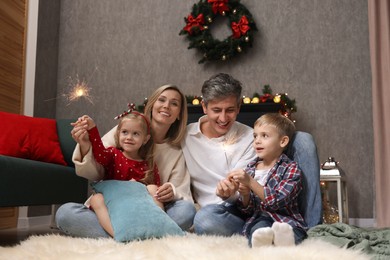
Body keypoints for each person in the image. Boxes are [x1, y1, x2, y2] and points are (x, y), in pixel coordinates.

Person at [182, 73, 322, 236]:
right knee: (204, 220)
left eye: (230, 110)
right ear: (204, 107)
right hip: (221, 214)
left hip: (248, 204)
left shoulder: (252, 138)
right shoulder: (186, 136)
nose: (223, 118)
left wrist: (235, 192)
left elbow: (251, 184)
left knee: (303, 140)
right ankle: (260, 232)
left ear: (239, 107)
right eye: (216, 110)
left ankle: (313, 229)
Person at [56, 85, 196, 238]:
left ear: (179, 114)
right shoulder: (125, 128)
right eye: (161, 100)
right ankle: (138, 235)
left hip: (147, 211)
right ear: (152, 105)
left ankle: (131, 234)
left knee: (186, 210)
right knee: (65, 213)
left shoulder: (176, 152)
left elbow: (181, 192)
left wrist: (171, 190)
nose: (166, 106)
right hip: (112, 208)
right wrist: (85, 144)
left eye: (174, 103)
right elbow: (97, 164)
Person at [77, 110, 163, 237]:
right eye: (125, 132)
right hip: (113, 207)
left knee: (153, 188)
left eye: (136, 134)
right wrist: (92, 129)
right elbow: (99, 153)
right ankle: (118, 235)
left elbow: (157, 189)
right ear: (118, 134)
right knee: (96, 199)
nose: (129, 137)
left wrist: (139, 187)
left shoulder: (148, 164)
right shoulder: (113, 154)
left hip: (137, 209)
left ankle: (159, 225)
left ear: (145, 139)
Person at [227, 113, 307, 247]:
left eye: (264, 136)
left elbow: (277, 201)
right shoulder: (251, 168)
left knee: (294, 233)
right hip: (260, 219)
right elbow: (247, 210)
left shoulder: (291, 168)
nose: (257, 140)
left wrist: (251, 182)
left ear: (283, 141)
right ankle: (266, 245)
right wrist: (245, 194)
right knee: (258, 230)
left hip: (286, 221)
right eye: (255, 136)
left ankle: (284, 242)